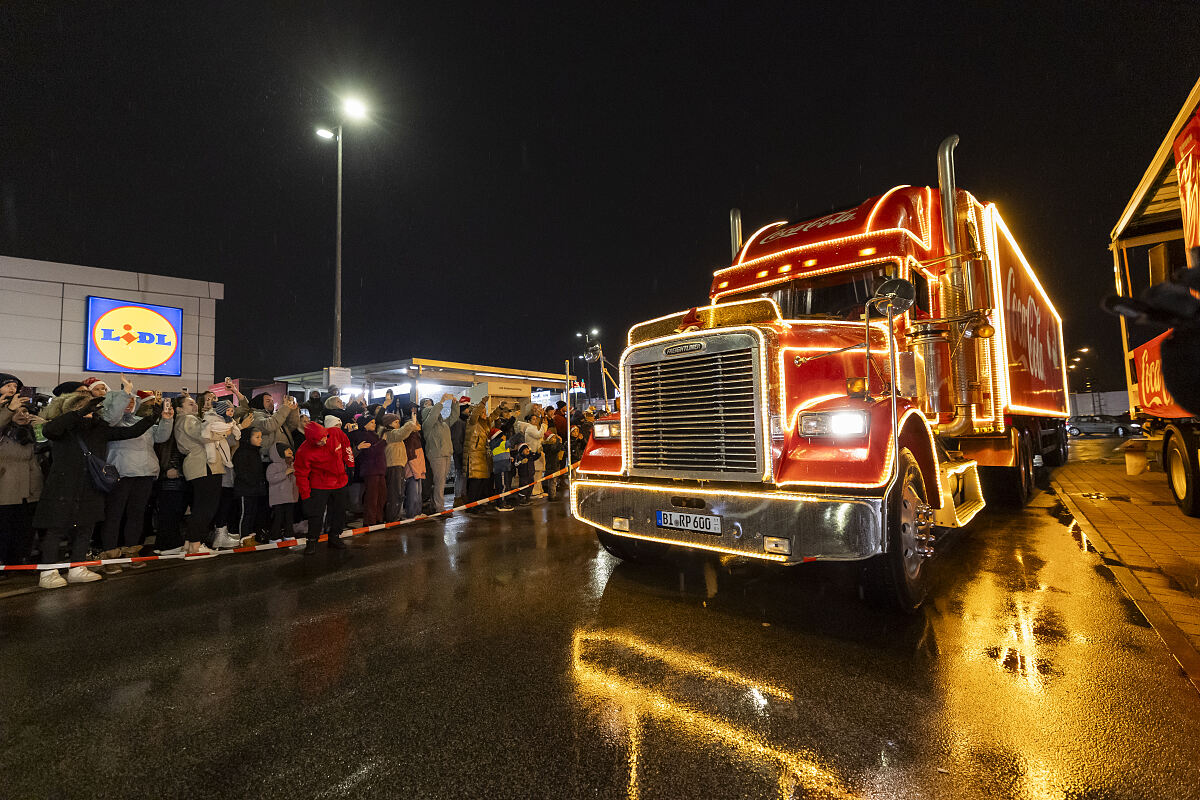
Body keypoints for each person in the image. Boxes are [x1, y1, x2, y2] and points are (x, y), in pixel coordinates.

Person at [35, 392, 158, 588]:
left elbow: (129, 432)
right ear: (74, 409)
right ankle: (48, 572)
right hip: (63, 486)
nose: (91, 411)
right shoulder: (62, 428)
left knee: (86, 527)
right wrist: (77, 413)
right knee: (56, 528)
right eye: (86, 407)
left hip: (90, 485)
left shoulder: (98, 429)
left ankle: (78, 568)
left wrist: (152, 418)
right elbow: (49, 430)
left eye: (91, 408)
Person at [100, 385, 174, 573]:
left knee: (136, 514)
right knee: (114, 515)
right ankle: (110, 554)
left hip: (145, 472)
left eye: (133, 401)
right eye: (126, 400)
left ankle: (131, 551)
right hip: (121, 473)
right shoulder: (111, 422)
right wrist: (124, 397)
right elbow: (112, 417)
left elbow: (161, 437)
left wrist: (166, 420)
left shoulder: (142, 421)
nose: (130, 403)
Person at [294, 422, 354, 554]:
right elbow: (301, 474)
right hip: (320, 484)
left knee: (339, 511)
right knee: (316, 514)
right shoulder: (304, 451)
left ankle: (334, 537)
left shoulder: (335, 433)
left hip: (340, 481)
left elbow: (346, 445)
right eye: (320, 441)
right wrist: (306, 496)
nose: (324, 441)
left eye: (325, 438)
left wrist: (350, 464)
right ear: (312, 441)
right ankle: (312, 541)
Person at [0, 391, 42, 570]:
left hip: (31, 488)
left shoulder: (32, 432)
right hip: (6, 488)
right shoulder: (3, 433)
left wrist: (43, 425)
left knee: (24, 527)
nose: (22, 415)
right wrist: (9, 409)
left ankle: (20, 558)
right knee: (4, 527)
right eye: (17, 412)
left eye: (25, 411)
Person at [206, 399, 247, 549]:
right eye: (229, 410)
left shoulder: (227, 422)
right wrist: (240, 429)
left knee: (225, 502)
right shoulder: (219, 424)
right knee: (222, 502)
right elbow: (230, 444)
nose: (231, 413)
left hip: (225, 471)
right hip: (221, 471)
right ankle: (219, 534)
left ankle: (222, 533)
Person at [152, 401, 189, 555]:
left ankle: (165, 544)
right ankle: (168, 545)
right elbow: (159, 455)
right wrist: (165, 472)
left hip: (180, 477)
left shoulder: (181, 428)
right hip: (167, 479)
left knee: (176, 511)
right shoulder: (160, 431)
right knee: (169, 512)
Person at [418, 393, 456, 514]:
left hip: (446, 453)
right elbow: (433, 415)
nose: (437, 413)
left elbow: (454, 416)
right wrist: (441, 401)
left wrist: (455, 403)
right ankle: (440, 508)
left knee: (441, 482)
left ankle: (436, 505)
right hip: (436, 454)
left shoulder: (444, 424)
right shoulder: (427, 425)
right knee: (439, 483)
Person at [232, 427, 268, 545]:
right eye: (257, 437)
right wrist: (252, 481)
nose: (260, 440)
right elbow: (241, 471)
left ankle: (250, 537)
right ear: (248, 438)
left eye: (260, 437)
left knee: (252, 512)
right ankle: (244, 538)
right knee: (245, 513)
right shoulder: (242, 452)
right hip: (245, 489)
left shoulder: (255, 452)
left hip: (254, 489)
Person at [382, 412, 419, 522]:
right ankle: (392, 518)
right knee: (394, 493)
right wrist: (410, 423)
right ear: (389, 423)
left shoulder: (393, 433)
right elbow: (401, 433)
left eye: (398, 422)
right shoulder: (389, 434)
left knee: (399, 492)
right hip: (393, 466)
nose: (398, 424)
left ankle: (395, 515)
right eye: (395, 422)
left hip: (398, 465)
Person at [352, 415, 387, 525]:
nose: (374, 424)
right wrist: (383, 442)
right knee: (372, 497)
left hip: (379, 468)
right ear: (365, 424)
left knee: (382, 495)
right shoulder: (362, 436)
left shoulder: (374, 435)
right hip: (370, 469)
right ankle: (370, 521)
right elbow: (370, 452)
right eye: (371, 422)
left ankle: (378, 518)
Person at [462, 400, 493, 512]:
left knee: (481, 482)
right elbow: (474, 414)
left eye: (485, 412)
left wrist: (499, 408)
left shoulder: (483, 424)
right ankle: (471, 506)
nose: (485, 414)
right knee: (475, 483)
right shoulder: (472, 422)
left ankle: (477, 503)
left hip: (482, 456)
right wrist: (482, 403)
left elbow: (492, 417)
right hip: (474, 457)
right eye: (482, 412)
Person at [266, 442, 299, 542]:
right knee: (278, 517)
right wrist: (285, 473)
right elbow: (271, 478)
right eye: (286, 449)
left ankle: (288, 534)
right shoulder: (273, 466)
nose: (290, 451)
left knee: (289, 517)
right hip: (278, 498)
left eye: (290, 449)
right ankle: (274, 536)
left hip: (290, 497)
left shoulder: (292, 465)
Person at [450, 396, 469, 503]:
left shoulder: (463, 421)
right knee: (460, 474)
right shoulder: (458, 422)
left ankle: (462, 495)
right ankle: (458, 496)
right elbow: (456, 439)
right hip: (460, 453)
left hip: (462, 452)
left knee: (463, 475)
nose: (468, 411)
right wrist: (460, 452)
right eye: (467, 408)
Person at [541, 432, 564, 500]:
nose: (555, 439)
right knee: (552, 481)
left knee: (552, 481)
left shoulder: (547, 446)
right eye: (553, 438)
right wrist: (559, 442)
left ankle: (551, 493)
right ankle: (552, 496)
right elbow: (556, 450)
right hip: (552, 466)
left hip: (552, 465)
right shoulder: (549, 447)